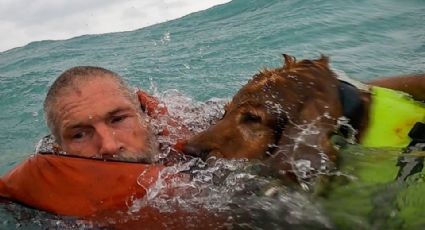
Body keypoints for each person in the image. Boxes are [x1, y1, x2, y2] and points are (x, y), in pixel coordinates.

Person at [0, 66, 192, 219]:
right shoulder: (45, 211)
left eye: (118, 119)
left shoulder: (200, 146)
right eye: (79, 135)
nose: (108, 146)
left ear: (146, 117)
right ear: (60, 150)